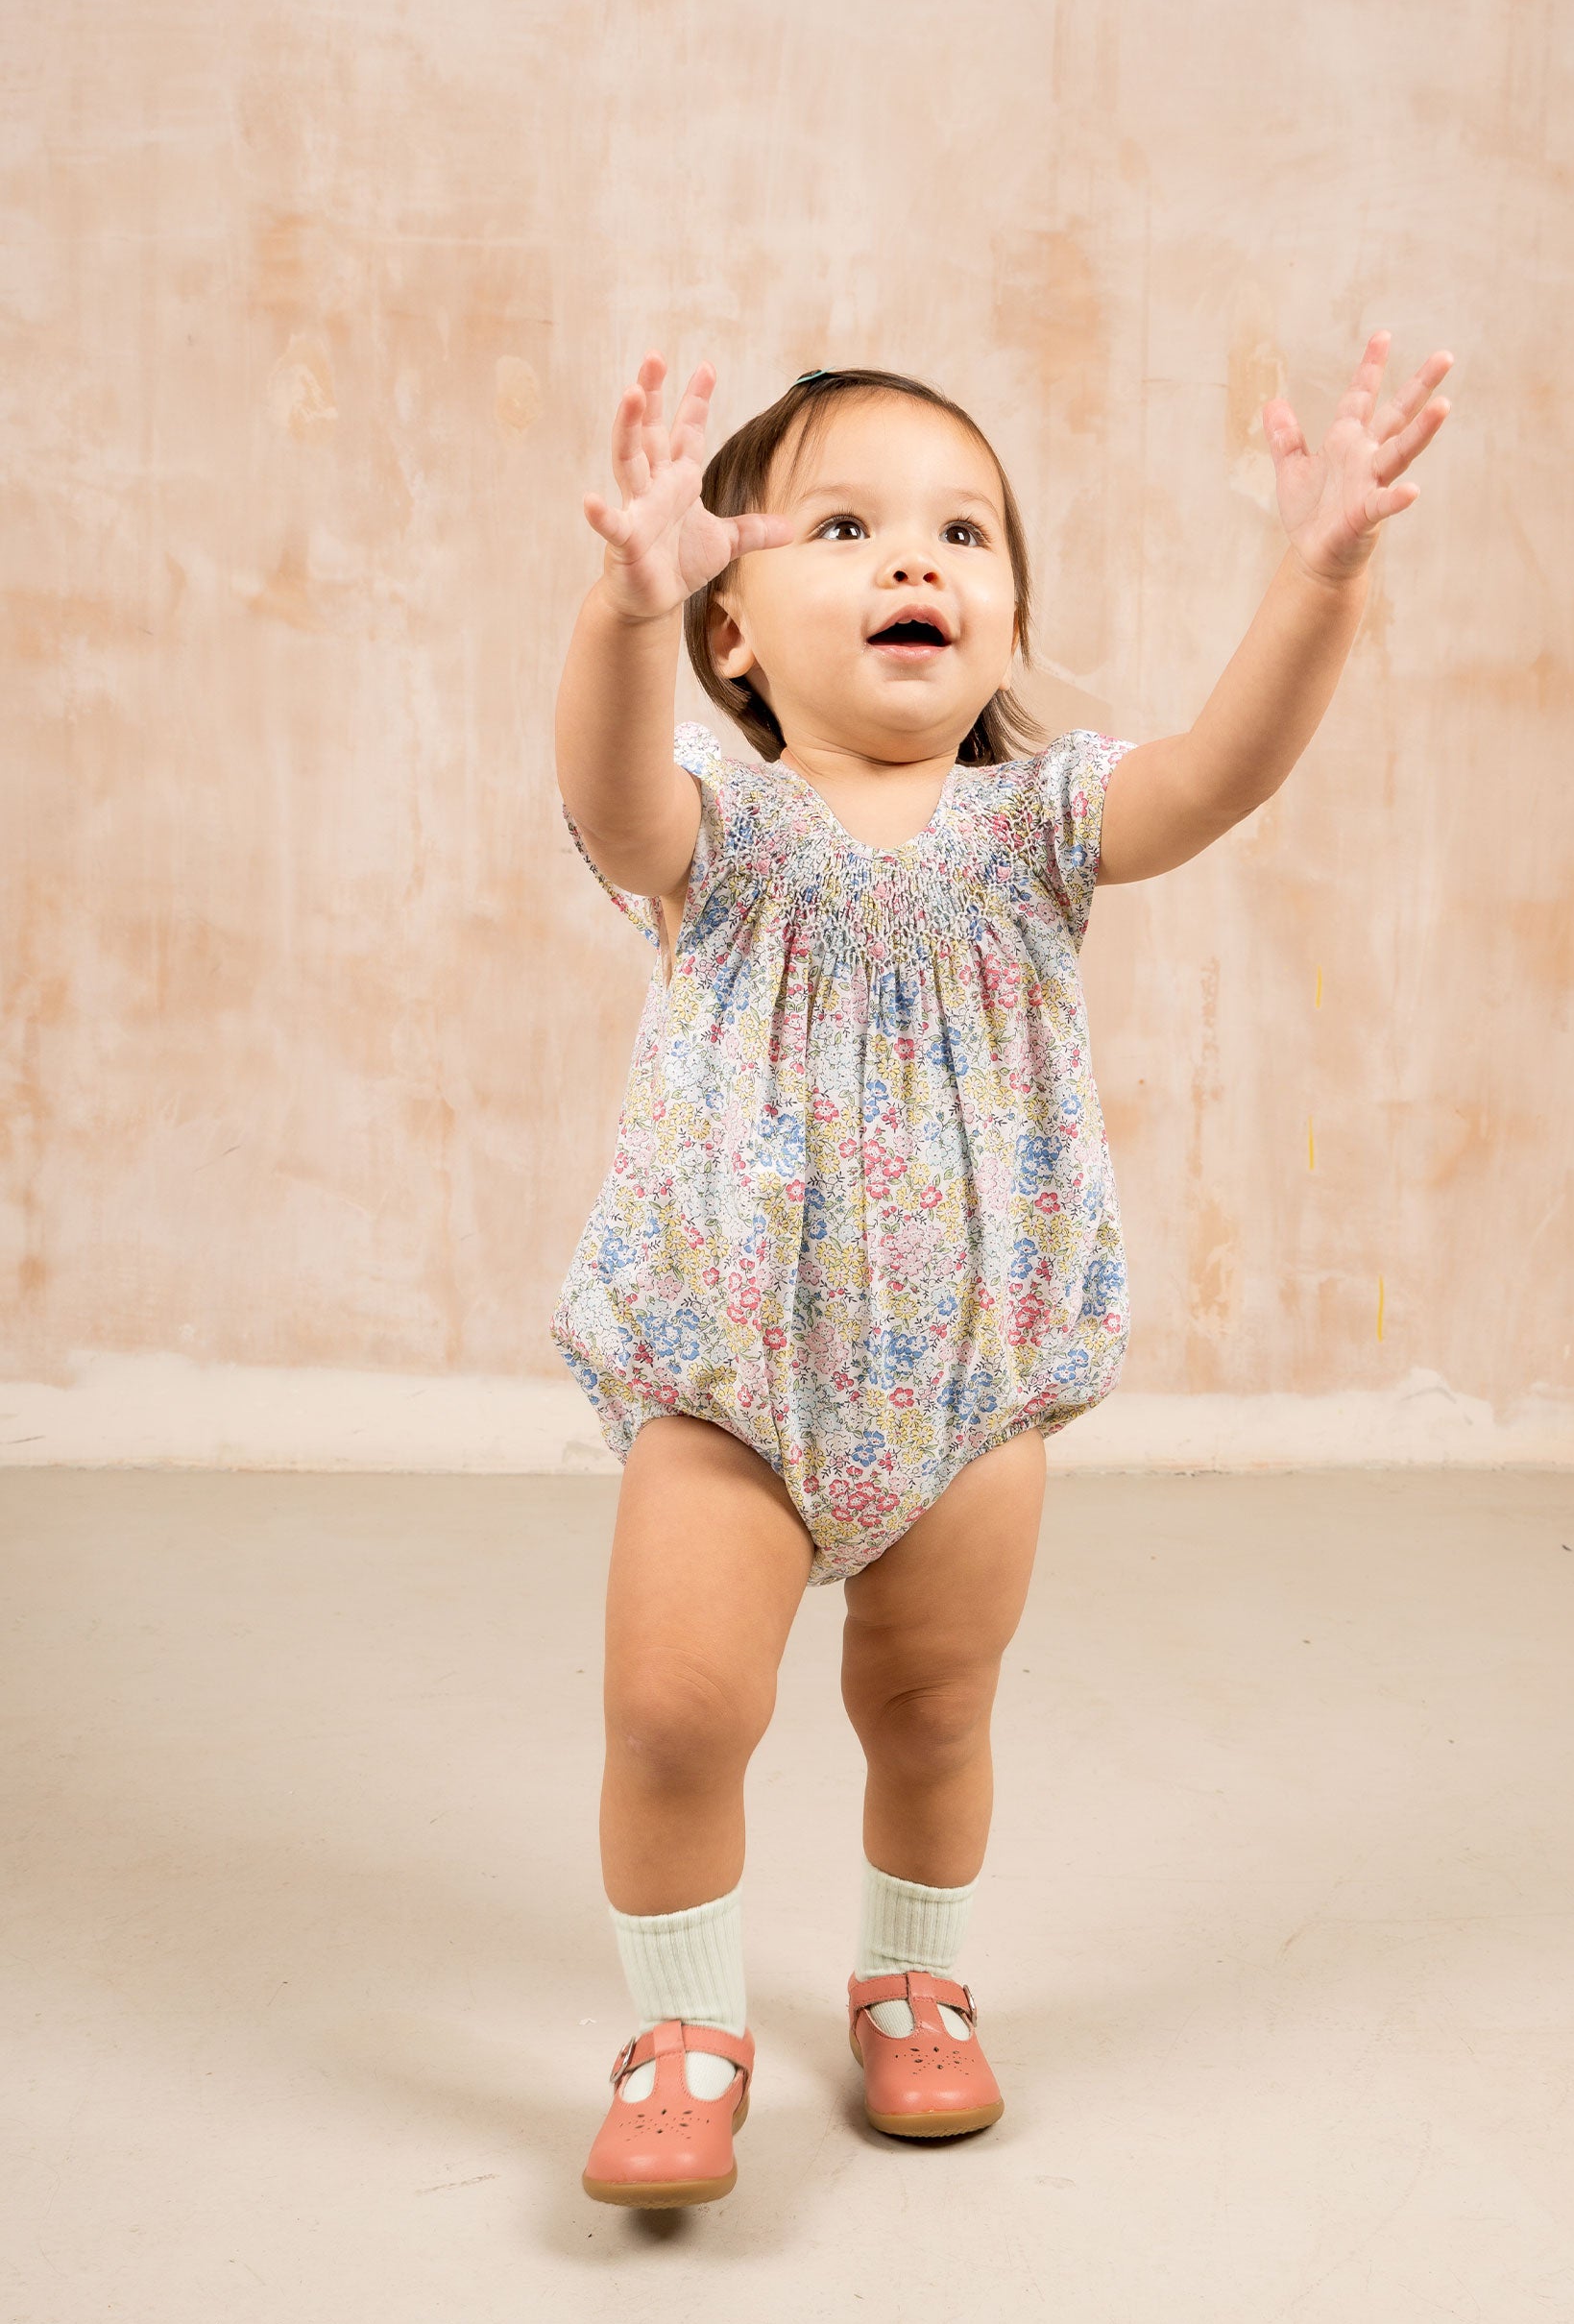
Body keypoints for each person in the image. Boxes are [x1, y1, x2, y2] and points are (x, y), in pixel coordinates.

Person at [552, 339, 1451, 2206]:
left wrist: (1320, 574)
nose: (918, 560)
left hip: (971, 1365)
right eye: (849, 524)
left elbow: (1217, 775)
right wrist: (618, 607)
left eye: (964, 530)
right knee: (673, 1711)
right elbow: (609, 802)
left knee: (937, 1701)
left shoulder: (1034, 826)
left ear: (1008, 610)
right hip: (735, 1371)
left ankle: (914, 1977)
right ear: (730, 629)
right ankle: (681, 2025)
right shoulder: (716, 837)